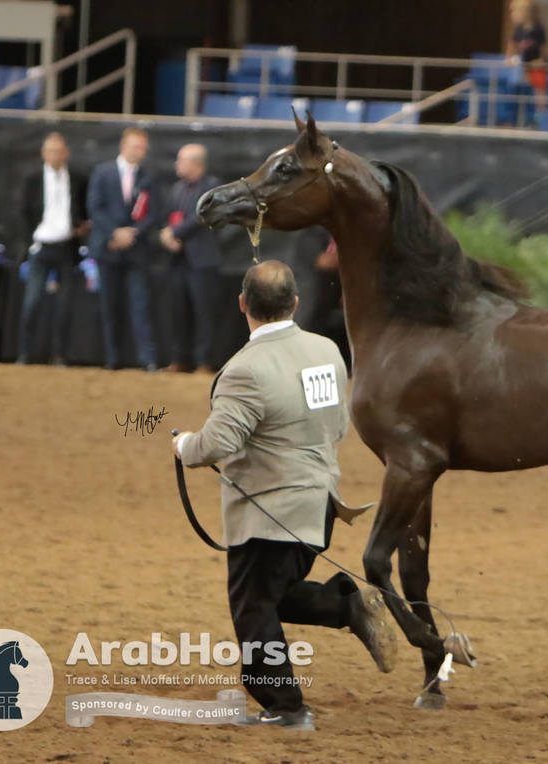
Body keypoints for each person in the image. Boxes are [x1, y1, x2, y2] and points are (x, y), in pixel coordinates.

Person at [171, 260, 396, 730]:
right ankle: (347, 605)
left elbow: (214, 445)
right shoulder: (327, 351)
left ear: (242, 305)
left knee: (254, 609)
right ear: (295, 303)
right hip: (321, 507)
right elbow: (337, 424)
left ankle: (287, 709)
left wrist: (182, 444)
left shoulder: (245, 370)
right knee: (274, 595)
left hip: (269, 515)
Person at [87, 127, 159, 371]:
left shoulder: (149, 177)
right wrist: (114, 233)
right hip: (107, 249)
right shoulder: (102, 172)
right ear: (123, 146)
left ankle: (146, 359)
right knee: (110, 305)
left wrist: (132, 233)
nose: (140, 151)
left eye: (142, 147)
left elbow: (153, 213)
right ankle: (113, 357)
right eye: (135, 146)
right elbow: (95, 208)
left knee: (141, 305)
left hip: (136, 250)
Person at [17, 133, 90, 365]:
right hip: (41, 247)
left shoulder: (78, 178)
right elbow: (25, 211)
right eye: (50, 151)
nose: (55, 155)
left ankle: (59, 354)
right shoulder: (33, 180)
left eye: (59, 151)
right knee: (33, 301)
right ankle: (26, 353)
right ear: (43, 153)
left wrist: (81, 226)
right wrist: (32, 237)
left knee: (65, 304)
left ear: (66, 153)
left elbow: (84, 209)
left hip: (67, 248)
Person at [159, 144, 222, 374]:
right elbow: (168, 218)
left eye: (181, 160)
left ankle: (204, 362)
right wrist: (166, 235)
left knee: (203, 313)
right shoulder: (176, 189)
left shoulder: (212, 187)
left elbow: (201, 216)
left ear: (196, 163)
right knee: (178, 311)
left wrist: (173, 233)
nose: (177, 164)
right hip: (178, 260)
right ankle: (179, 359)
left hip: (202, 261)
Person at [508, 2, 548, 114]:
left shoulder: (538, 29)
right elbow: (512, 46)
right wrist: (510, 58)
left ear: (525, 13)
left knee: (539, 88)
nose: (512, 15)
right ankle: (517, 115)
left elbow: (543, 49)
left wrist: (540, 60)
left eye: (515, 12)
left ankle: (540, 114)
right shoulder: (518, 30)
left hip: (536, 65)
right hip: (523, 66)